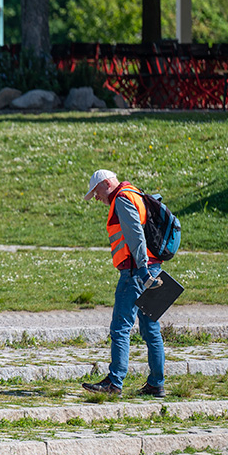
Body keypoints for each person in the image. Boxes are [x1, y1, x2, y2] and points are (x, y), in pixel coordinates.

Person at [81, 169, 165, 397]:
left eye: (96, 192)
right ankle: (156, 384)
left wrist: (142, 269)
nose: (96, 198)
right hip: (153, 268)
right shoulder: (136, 193)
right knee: (151, 329)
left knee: (120, 327)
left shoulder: (122, 199)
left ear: (107, 183)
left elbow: (136, 235)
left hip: (135, 272)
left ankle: (114, 382)